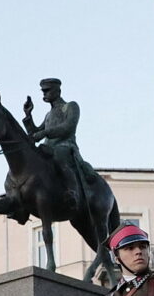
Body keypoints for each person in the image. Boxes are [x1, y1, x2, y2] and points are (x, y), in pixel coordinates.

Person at [21, 78, 97, 211]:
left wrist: (45, 133)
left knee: (58, 156)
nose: (44, 94)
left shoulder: (71, 106)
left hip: (65, 146)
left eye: (47, 91)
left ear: (58, 91)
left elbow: (68, 127)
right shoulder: (48, 115)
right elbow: (35, 134)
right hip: (47, 148)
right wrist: (28, 116)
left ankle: (71, 191)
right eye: (43, 91)